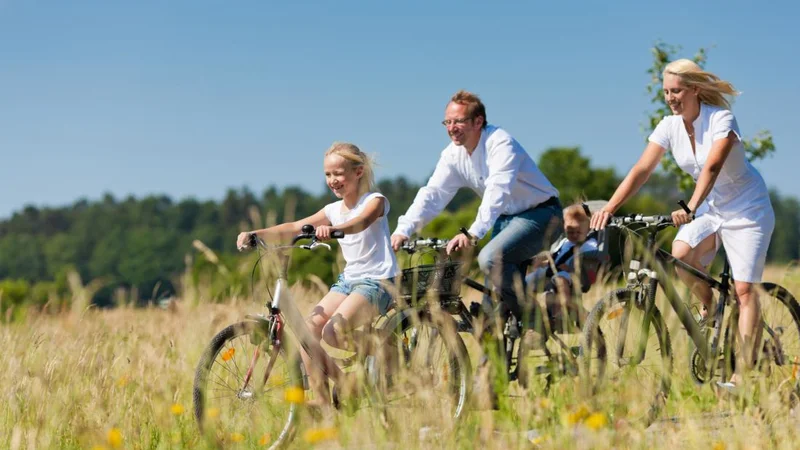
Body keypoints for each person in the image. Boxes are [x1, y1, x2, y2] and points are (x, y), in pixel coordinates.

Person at [589, 59, 775, 387]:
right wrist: (610, 208)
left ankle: (742, 375)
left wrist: (690, 206)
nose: (670, 97)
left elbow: (713, 165)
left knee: (745, 289)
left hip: (747, 210)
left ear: (695, 90)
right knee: (681, 254)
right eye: (665, 91)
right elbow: (641, 170)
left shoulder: (721, 119)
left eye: (676, 90)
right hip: (712, 209)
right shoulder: (669, 126)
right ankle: (711, 304)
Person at [237, 142, 398, 405]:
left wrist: (336, 230)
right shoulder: (332, 210)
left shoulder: (375, 201)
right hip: (349, 280)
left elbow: (361, 222)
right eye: (328, 175)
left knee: (333, 333)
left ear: (358, 172)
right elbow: (295, 226)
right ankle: (328, 398)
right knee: (307, 332)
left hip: (378, 280)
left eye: (339, 174)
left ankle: (387, 350)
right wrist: (256, 234)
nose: (333, 181)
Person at [391, 89, 562, 327]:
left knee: (490, 259)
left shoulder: (500, 143)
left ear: (478, 121)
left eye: (459, 121)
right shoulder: (452, 155)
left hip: (541, 215)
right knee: (491, 315)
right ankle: (491, 361)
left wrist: (474, 232)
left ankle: (535, 324)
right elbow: (433, 194)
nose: (452, 128)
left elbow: (497, 190)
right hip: (506, 219)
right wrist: (404, 229)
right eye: (447, 122)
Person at [527, 203, 602, 334]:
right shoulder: (564, 242)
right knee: (527, 280)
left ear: (587, 229)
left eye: (578, 232)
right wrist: (541, 260)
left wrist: (572, 265)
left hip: (572, 274)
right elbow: (554, 254)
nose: (573, 235)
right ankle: (531, 309)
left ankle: (560, 313)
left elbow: (591, 257)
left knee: (560, 279)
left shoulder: (589, 244)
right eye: (570, 232)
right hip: (554, 271)